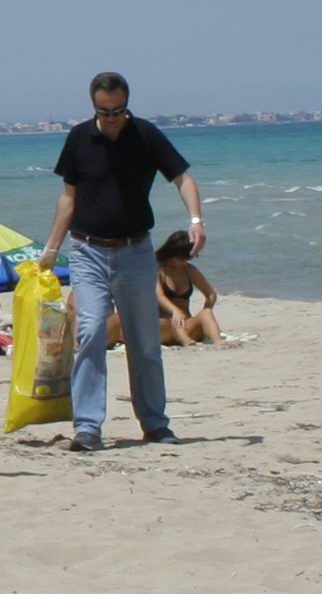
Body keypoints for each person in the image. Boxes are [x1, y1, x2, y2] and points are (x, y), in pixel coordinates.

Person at [38, 71, 204, 451]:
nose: (111, 118)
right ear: (93, 106)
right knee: (92, 331)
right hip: (87, 251)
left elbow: (183, 178)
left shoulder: (146, 135)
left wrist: (196, 221)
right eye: (104, 111)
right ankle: (88, 427)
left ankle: (155, 424)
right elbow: (68, 198)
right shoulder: (80, 137)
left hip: (135, 252)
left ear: (127, 105)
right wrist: (50, 248)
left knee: (144, 339)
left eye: (118, 111)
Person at [154, 229, 225, 346]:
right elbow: (159, 296)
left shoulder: (189, 270)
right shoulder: (157, 270)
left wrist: (206, 309)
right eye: (182, 258)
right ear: (173, 253)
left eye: (188, 258)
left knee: (206, 313)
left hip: (187, 325)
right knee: (171, 318)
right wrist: (175, 310)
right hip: (164, 326)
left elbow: (210, 294)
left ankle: (218, 342)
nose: (185, 262)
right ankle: (186, 341)